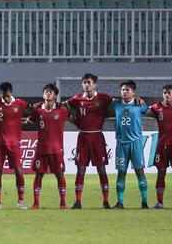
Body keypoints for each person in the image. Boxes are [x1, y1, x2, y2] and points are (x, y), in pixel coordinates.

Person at [66, 74, 114, 209]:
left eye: (88, 82)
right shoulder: (76, 99)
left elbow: (120, 102)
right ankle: (78, 201)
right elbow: (63, 106)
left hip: (97, 137)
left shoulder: (104, 98)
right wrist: (70, 118)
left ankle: (105, 201)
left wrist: (137, 100)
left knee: (101, 169)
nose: (86, 85)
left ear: (94, 85)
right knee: (80, 169)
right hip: (83, 137)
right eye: (84, 83)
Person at [0, 81, 28, 209]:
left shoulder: (20, 103)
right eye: (3, 95)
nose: (5, 98)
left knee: (18, 171)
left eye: (7, 95)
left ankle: (21, 201)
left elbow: (34, 109)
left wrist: (28, 120)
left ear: (11, 92)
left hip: (14, 144)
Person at [26, 84, 68, 209]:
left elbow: (73, 116)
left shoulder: (62, 110)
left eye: (50, 92)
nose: (48, 94)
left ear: (55, 95)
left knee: (59, 175)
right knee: (39, 175)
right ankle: (36, 202)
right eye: (46, 92)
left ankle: (63, 202)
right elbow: (29, 120)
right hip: (41, 149)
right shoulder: (37, 110)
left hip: (57, 149)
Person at [112, 80, 150, 209]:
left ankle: (144, 202)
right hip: (121, 143)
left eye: (127, 90)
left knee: (140, 172)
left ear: (133, 92)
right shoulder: (115, 104)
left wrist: (140, 100)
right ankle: (120, 202)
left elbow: (152, 112)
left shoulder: (140, 105)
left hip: (136, 143)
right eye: (122, 90)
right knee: (121, 172)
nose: (124, 92)